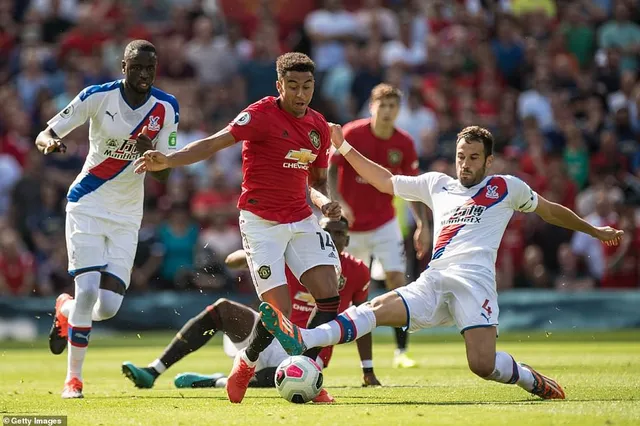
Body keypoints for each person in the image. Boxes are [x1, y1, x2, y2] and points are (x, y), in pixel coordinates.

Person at [260, 125, 625, 400]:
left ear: (489, 160)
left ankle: (531, 379)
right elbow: (386, 181)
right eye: (461, 156)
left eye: (473, 158)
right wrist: (343, 145)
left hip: (474, 284)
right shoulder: (438, 184)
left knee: (482, 366)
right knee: (376, 307)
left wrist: (592, 229)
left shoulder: (506, 187)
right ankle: (304, 337)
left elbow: (550, 211)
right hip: (434, 279)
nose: (465, 164)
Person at [133, 52, 343, 404]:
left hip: (300, 219)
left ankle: (307, 375)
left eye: (306, 86)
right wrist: (168, 160)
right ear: (279, 85)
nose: (300, 94)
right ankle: (246, 365)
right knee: (280, 313)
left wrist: (325, 204)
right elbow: (214, 143)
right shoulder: (260, 114)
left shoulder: (319, 126)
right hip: (261, 221)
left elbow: (315, 182)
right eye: (292, 86)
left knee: (328, 296)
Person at [36, 40, 179, 399]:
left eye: (151, 67)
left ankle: (64, 309)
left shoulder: (167, 107)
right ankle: (73, 380)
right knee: (86, 291)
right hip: (87, 204)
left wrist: (153, 156)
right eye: (138, 66)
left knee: (108, 307)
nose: (145, 74)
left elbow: (165, 175)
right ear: (123, 66)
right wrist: (50, 145)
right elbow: (45, 133)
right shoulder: (97, 96)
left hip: (128, 216)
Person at [121, 217, 380, 397]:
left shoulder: (357, 270)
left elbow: (362, 319)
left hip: (311, 349)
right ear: (317, 235)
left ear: (347, 239)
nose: (333, 238)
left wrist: (367, 370)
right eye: (328, 232)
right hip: (271, 332)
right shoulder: (296, 251)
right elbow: (231, 262)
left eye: (339, 234)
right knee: (223, 307)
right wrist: (256, 250)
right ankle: (153, 370)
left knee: (275, 377)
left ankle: (216, 381)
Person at [329, 83, 429, 368]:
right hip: (350, 229)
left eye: (392, 106)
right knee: (346, 290)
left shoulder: (405, 143)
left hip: (385, 224)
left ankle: (401, 351)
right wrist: (338, 203)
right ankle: (328, 348)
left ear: (399, 111)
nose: (386, 111)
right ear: (372, 107)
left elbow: (412, 188)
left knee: (398, 282)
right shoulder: (351, 133)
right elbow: (331, 169)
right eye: (382, 105)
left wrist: (423, 223)